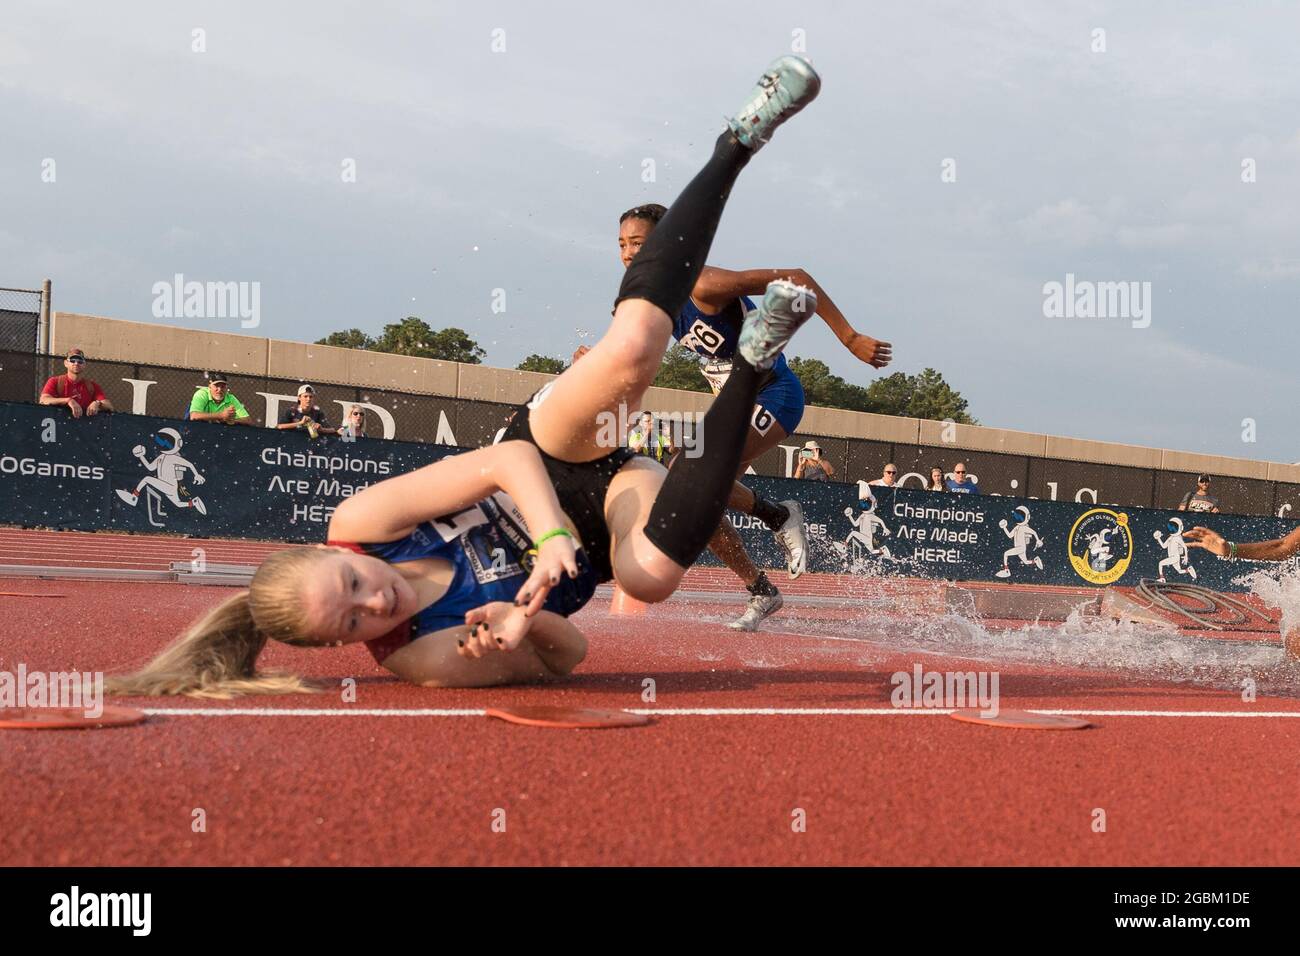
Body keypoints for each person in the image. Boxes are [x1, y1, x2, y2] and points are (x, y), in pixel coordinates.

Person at [107, 54, 823, 698]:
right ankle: (752, 362)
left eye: (354, 584)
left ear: (335, 552)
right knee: (650, 578)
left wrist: (545, 539)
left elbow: (508, 459)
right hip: (609, 524)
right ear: (340, 647)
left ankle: (739, 139)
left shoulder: (362, 525)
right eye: (353, 623)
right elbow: (570, 656)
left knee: (635, 346)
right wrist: (522, 625)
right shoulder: (423, 656)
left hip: (547, 455)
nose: (376, 603)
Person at [596, 195, 892, 632]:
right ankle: (760, 590)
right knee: (702, 506)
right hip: (730, 408)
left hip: (774, 395)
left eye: (637, 243)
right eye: (621, 244)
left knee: (684, 475)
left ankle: (778, 514)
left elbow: (796, 277)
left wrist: (848, 337)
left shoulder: (703, 285)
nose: (627, 254)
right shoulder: (648, 302)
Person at [39, 348, 113, 417]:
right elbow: (43, 400)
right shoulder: (55, 381)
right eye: (72, 360)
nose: (76, 363)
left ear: (84, 365)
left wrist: (97, 403)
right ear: (66, 363)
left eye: (80, 361)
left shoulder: (92, 386)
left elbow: (109, 406)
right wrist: (68, 400)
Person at [189, 373, 256, 426]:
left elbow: (248, 421)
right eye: (216, 386)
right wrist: (221, 415)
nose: (219, 390)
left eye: (223, 387)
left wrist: (231, 421)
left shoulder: (231, 398)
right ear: (209, 386)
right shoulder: (201, 394)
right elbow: (194, 416)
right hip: (198, 431)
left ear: (227, 388)